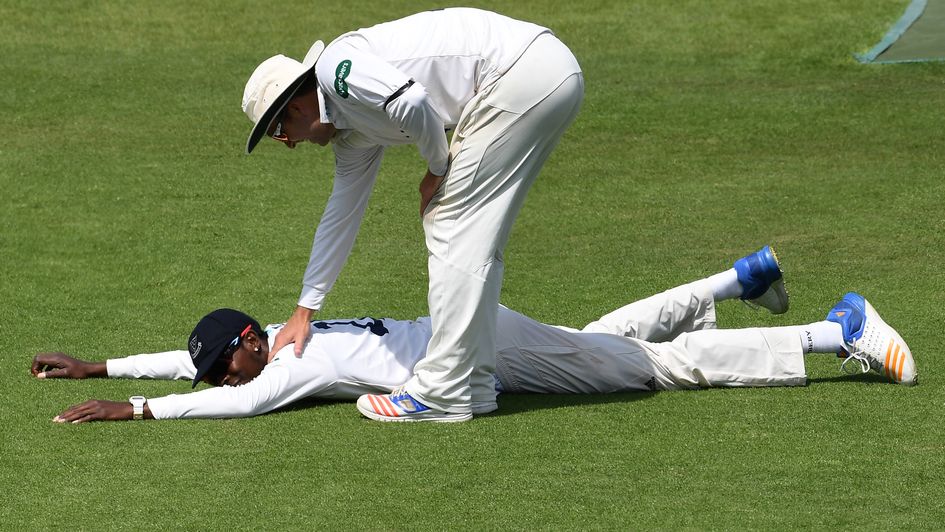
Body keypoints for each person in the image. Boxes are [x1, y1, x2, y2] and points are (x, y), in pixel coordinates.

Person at [35, 247, 917, 424]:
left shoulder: (290, 359)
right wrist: (102, 361)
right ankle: (736, 281)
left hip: (475, 352)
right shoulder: (275, 330)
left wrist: (138, 409)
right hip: (475, 335)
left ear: (247, 345)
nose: (222, 381)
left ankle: (828, 330)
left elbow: (240, 405)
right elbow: (197, 364)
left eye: (219, 368)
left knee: (653, 372)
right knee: (596, 342)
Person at [240, 8, 584, 420]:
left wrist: (436, 169)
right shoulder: (351, 134)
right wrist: (304, 309)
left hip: (521, 74)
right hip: (540, 75)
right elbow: (342, 213)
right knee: (473, 234)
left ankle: (444, 389)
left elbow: (413, 101)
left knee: (449, 220)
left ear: (294, 109)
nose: (289, 145)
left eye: (279, 133)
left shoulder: (336, 70)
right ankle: (471, 381)